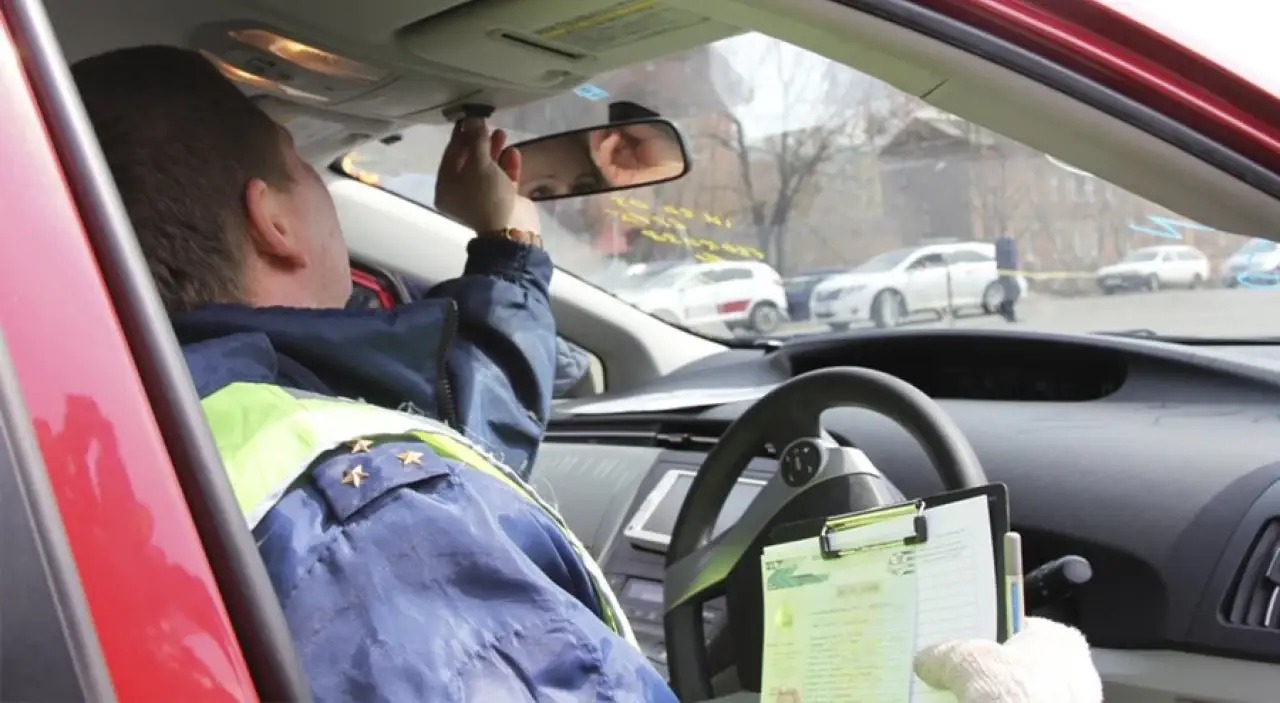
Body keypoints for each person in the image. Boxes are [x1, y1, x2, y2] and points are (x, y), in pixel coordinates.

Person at [73, 45, 1102, 702]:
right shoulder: (375, 529)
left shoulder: (133, 433)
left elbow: (454, 433)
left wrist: (507, 244)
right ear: (272, 218)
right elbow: (402, 507)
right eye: (306, 163)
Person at [995, 233, 1022, 322]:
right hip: (1007, 271)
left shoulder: (1002, 242)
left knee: (1011, 291)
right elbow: (1011, 257)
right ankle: (1008, 313)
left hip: (1004, 271)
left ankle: (1005, 310)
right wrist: (1014, 268)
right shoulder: (1007, 242)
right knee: (1013, 291)